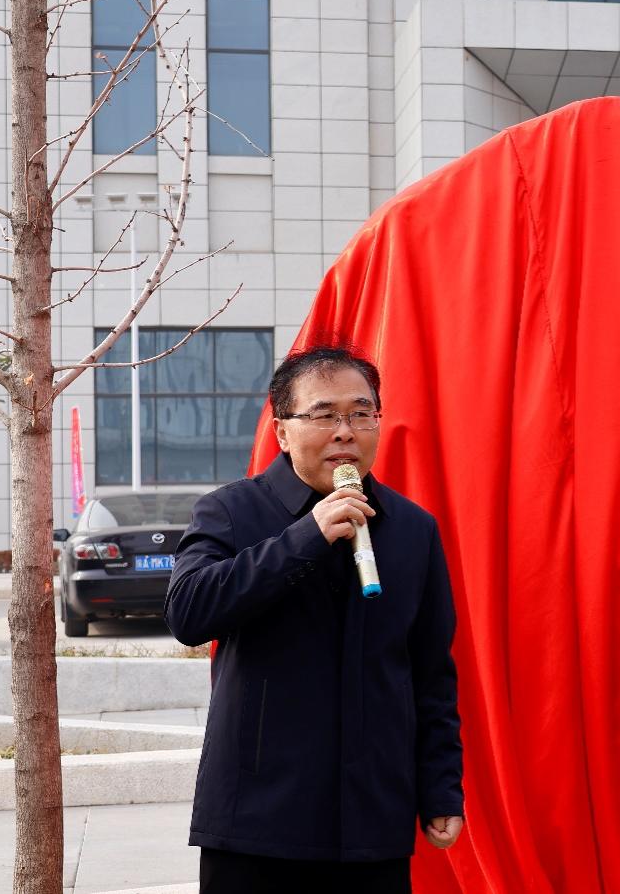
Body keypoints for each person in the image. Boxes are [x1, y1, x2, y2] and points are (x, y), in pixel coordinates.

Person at [165, 345, 463, 894]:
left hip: (372, 816)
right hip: (257, 820)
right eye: (324, 414)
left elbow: (430, 675)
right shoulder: (231, 511)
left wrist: (441, 787)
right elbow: (188, 612)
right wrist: (307, 536)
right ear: (282, 432)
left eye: (361, 414)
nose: (345, 432)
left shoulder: (413, 529)